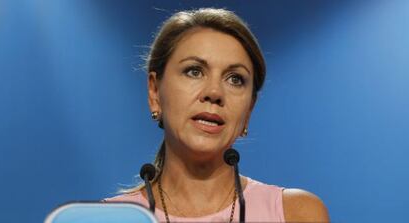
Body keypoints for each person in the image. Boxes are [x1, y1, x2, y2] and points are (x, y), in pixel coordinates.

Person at [105, 8, 330, 222]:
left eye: (235, 79)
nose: (214, 93)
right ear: (154, 92)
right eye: (194, 71)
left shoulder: (297, 214)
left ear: (249, 109)